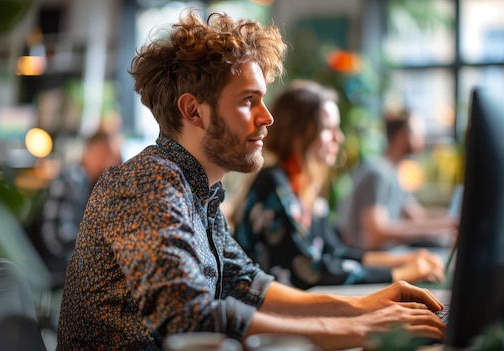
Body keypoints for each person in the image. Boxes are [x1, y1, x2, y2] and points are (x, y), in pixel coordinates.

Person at [56, 10, 446, 351]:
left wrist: (366, 306)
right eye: (248, 100)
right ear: (194, 110)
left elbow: (249, 286)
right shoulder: (147, 183)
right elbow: (190, 321)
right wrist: (356, 329)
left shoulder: (198, 192)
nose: (267, 117)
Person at [232, 80, 445, 290]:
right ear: (299, 135)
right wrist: (399, 274)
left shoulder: (307, 189)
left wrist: (403, 260)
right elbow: (309, 270)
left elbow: (336, 252)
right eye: (329, 128)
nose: (339, 137)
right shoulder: (274, 183)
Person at [335, 107, 457, 251]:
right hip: (365, 259)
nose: (423, 140)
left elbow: (418, 217)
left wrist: (452, 222)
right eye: (419, 134)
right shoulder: (378, 173)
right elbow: (377, 233)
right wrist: (439, 230)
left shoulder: (395, 174)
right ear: (401, 137)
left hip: (384, 254)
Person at [36, 129, 122, 281]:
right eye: (114, 156)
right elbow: (56, 236)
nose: (116, 164)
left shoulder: (84, 182)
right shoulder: (74, 179)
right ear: (101, 152)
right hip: (56, 268)